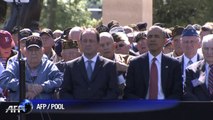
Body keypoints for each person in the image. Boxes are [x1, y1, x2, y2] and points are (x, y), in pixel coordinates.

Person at [124, 26, 182, 100]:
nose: (152, 39)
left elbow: (177, 93)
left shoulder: (173, 64)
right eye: (150, 36)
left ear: (164, 41)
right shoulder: (135, 63)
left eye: (156, 36)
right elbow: (128, 92)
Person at [60, 28, 119, 100]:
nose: (88, 44)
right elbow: (64, 92)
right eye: (85, 41)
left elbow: (113, 91)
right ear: (80, 44)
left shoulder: (110, 66)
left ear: (98, 43)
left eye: (91, 41)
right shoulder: (70, 66)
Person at [0, 35, 63, 101]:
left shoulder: (49, 65)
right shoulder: (17, 65)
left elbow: (60, 79)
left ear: (42, 51)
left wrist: (42, 87)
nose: (33, 53)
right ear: (25, 51)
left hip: (44, 108)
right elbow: (3, 79)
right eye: (30, 50)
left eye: (36, 50)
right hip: (19, 108)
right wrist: (25, 86)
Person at [183, 34, 213, 101]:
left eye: (212, 49)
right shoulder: (191, 70)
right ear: (202, 50)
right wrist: (202, 106)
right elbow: (188, 93)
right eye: (206, 48)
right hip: (198, 109)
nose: (209, 52)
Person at [176, 25, 203, 91]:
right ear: (181, 44)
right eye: (186, 42)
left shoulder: (204, 62)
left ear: (198, 44)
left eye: (192, 41)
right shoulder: (174, 63)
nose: (189, 45)